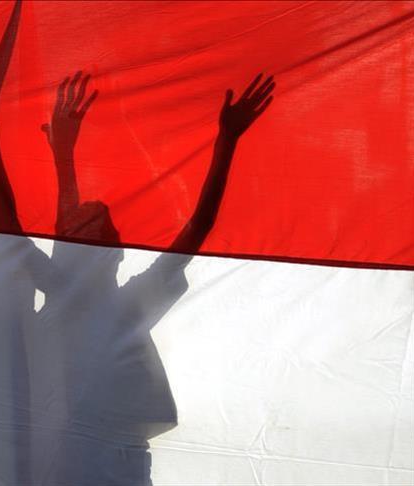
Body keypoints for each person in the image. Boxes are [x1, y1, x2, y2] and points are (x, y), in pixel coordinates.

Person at [37, 71, 274, 485]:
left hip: (110, 461)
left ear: (115, 255)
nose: (90, 239)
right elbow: (68, 230)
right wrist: (63, 155)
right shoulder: (73, 299)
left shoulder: (124, 304)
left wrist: (227, 143)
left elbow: (197, 229)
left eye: (102, 233)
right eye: (91, 233)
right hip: (73, 457)